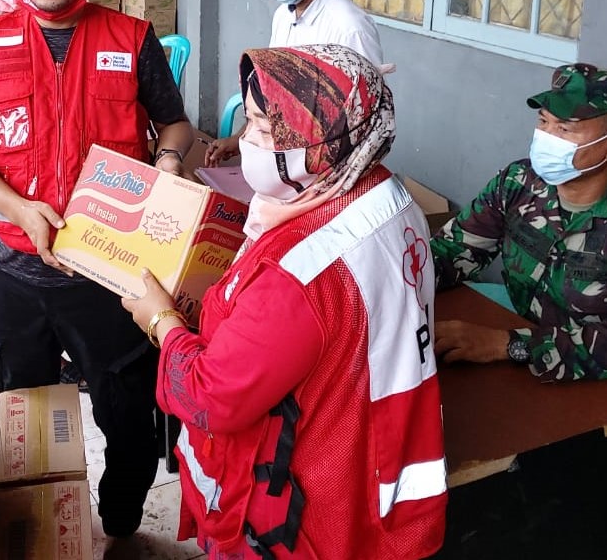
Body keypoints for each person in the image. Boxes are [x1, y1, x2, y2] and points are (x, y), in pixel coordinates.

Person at [123, 44, 446, 559]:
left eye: (263, 128)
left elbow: (213, 397)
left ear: (318, 143)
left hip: (300, 513)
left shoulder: (299, 276)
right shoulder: (384, 194)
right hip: (371, 465)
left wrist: (162, 320)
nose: (246, 140)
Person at [0, 0, 195, 539]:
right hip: (14, 268)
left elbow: (174, 123)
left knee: (130, 414)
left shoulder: (131, 38)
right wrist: (22, 209)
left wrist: (166, 162)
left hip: (108, 277)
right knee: (24, 416)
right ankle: (35, 528)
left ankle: (120, 521)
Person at [432, 63, 607, 381]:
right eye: (543, 121)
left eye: (564, 129)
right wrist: (390, 288)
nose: (547, 138)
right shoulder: (519, 182)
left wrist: (508, 344)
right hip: (520, 361)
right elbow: (453, 250)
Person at [206, 0, 384, 167]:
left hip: (326, 171)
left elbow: (368, 119)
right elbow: (270, 94)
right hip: (283, 165)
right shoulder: (284, 16)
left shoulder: (349, 28)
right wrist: (241, 139)